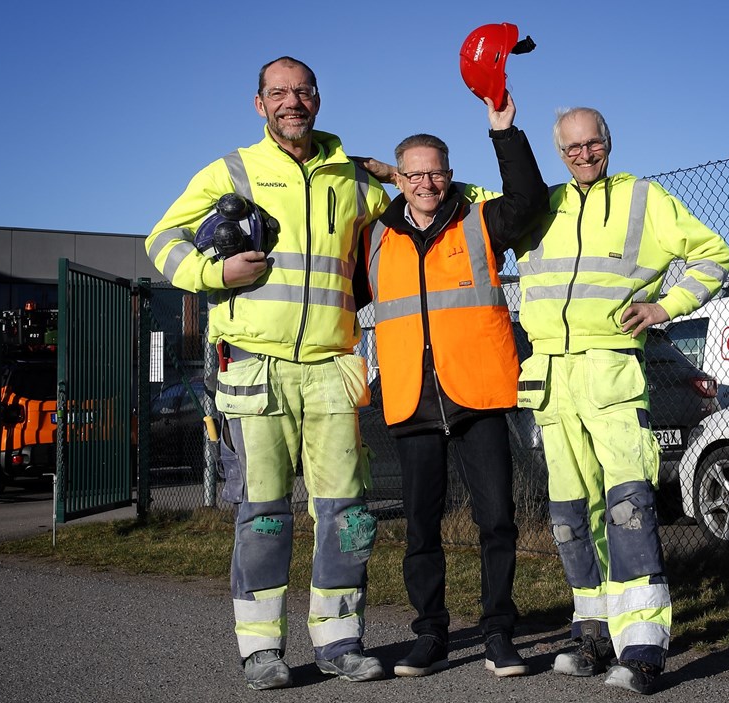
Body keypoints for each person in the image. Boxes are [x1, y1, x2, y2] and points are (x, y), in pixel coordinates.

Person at [145, 56, 391, 690]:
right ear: (260, 104)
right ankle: (260, 649)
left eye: (302, 91)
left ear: (318, 98)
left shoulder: (356, 181)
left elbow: (392, 244)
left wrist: (393, 173)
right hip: (256, 371)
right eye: (278, 92)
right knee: (264, 515)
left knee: (347, 513)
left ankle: (340, 638)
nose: (292, 101)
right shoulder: (233, 170)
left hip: (333, 368)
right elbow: (161, 238)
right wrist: (212, 274)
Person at [514, 107, 729, 695]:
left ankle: (643, 645)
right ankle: (590, 629)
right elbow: (449, 195)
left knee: (628, 508)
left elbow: (713, 254)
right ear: (558, 151)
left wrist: (667, 307)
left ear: (609, 143)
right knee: (569, 515)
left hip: (612, 373)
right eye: (573, 148)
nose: (585, 155)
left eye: (595, 144)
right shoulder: (541, 203)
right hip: (551, 380)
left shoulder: (643, 198)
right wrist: (393, 171)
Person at [362, 92, 547, 678]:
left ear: (449, 173)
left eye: (436, 172)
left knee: (497, 520)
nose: (426, 184)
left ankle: (498, 632)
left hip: (478, 394)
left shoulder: (480, 220)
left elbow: (531, 202)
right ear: (400, 178)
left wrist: (504, 132)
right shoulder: (373, 239)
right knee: (421, 527)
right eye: (414, 174)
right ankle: (430, 633)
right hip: (411, 398)